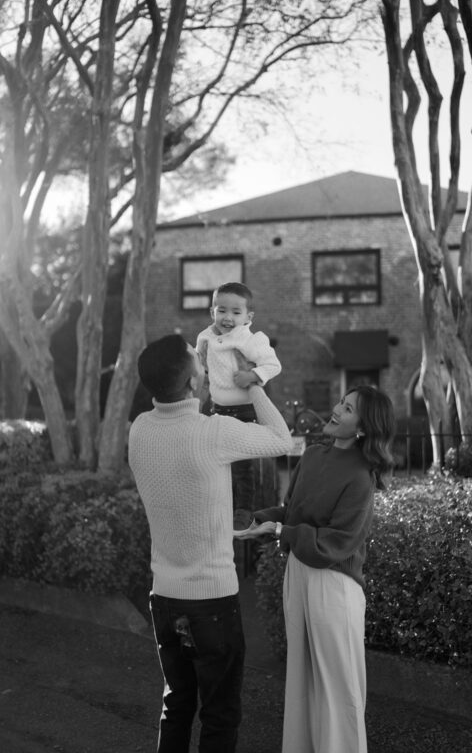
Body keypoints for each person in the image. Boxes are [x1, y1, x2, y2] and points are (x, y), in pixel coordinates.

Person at [128, 334, 293, 752]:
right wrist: (253, 382)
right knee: (219, 714)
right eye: (196, 360)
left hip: (164, 597)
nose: (204, 361)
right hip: (212, 601)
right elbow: (281, 438)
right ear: (191, 382)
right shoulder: (213, 433)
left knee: (176, 705)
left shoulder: (139, 430)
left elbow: (181, 482)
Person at [239, 385, 395, 753]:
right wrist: (258, 520)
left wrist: (282, 531)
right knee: (302, 680)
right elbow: (291, 511)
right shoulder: (311, 456)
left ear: (364, 427)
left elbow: (336, 542)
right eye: (341, 402)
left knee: (338, 687)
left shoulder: (361, 476)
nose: (337, 409)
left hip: (334, 584)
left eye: (349, 409)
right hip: (298, 573)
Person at [196, 281, 282, 517]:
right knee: (216, 460)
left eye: (236, 312)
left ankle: (244, 511)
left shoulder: (250, 340)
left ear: (248, 317)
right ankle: (217, 506)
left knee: (243, 465)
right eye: (222, 310)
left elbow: (273, 365)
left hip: (244, 411)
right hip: (217, 410)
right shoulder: (205, 337)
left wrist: (252, 375)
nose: (228, 318)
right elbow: (199, 363)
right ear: (212, 312)